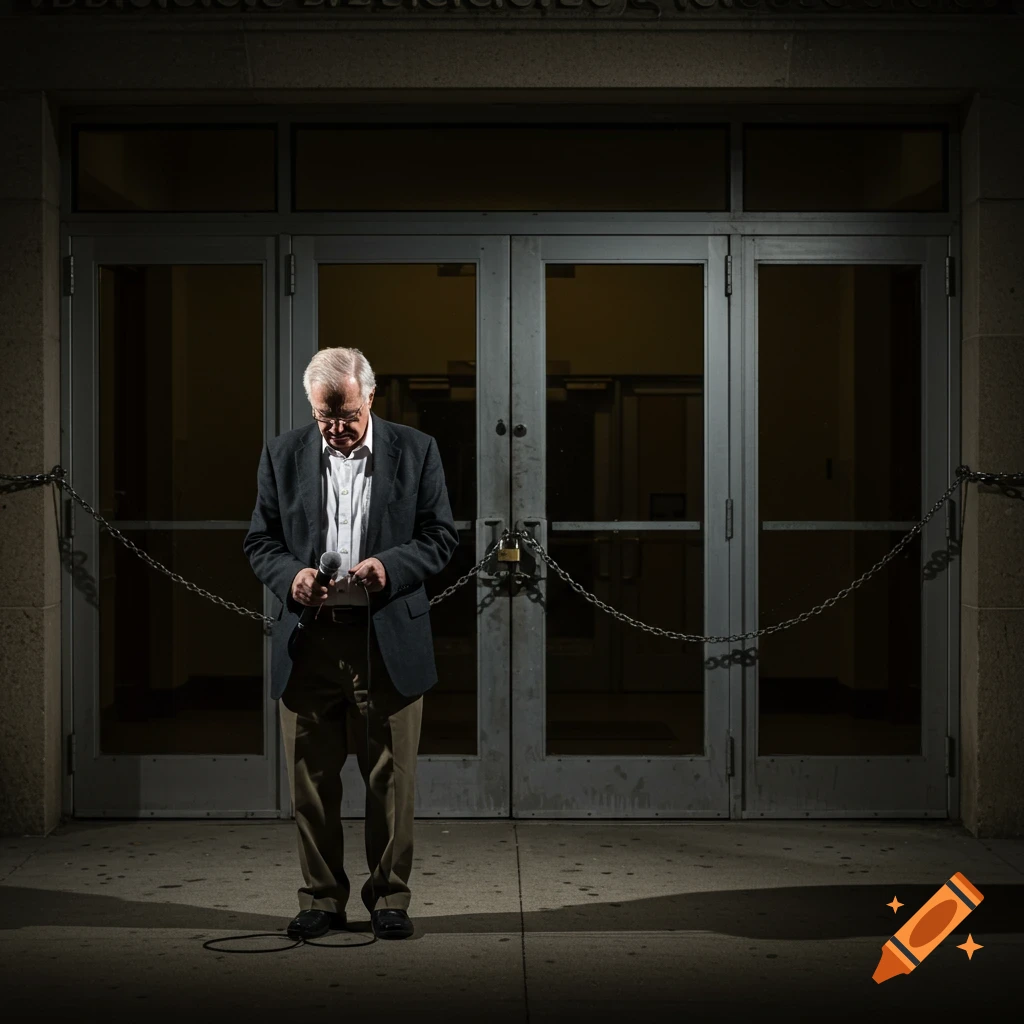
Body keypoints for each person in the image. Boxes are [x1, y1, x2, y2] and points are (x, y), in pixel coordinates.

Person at [243, 346, 459, 941]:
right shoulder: (282, 453)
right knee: (310, 779)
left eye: (348, 415)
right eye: (324, 418)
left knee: (391, 779)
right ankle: (321, 898)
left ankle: (389, 898)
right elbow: (259, 541)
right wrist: (293, 577)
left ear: (370, 397)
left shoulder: (416, 451)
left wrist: (389, 568)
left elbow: (441, 536)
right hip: (308, 642)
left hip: (384, 637)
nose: (336, 430)